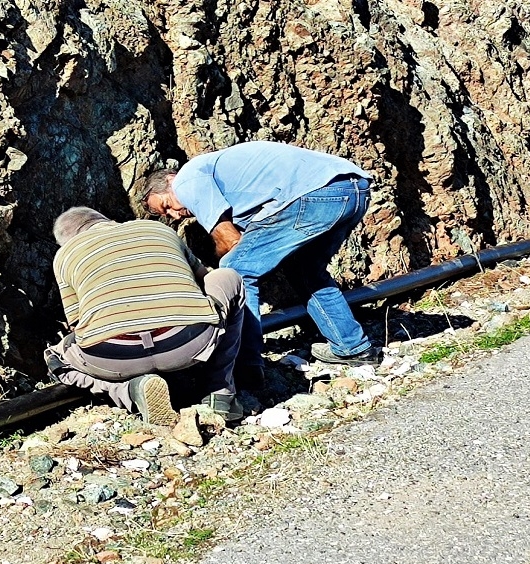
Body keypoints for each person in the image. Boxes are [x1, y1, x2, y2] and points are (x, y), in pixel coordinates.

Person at [140, 140, 380, 389]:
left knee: (237, 271)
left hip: (314, 195)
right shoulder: (224, 178)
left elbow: (229, 239)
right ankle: (353, 348)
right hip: (353, 190)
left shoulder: (186, 180)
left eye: (167, 205)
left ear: (170, 180)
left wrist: (213, 277)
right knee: (307, 271)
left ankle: (245, 366)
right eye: (167, 215)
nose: (175, 214)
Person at [44, 207, 246, 426]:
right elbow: (204, 278)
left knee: (56, 358)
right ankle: (220, 394)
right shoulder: (157, 228)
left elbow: (76, 323)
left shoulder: (64, 255)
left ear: (67, 241)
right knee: (228, 277)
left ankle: (129, 390)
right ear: (109, 220)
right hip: (187, 343)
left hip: (115, 358)